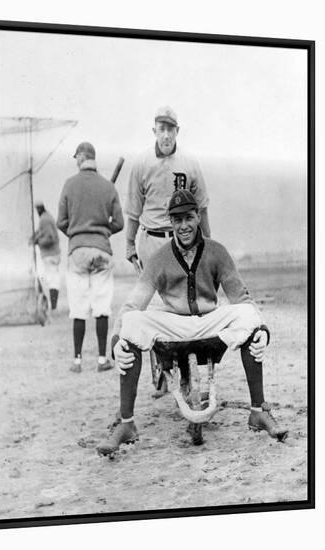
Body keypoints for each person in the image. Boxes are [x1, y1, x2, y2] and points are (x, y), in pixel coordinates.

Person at [97, 188, 288, 456]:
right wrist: (117, 341)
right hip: (174, 326)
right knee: (130, 323)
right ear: (171, 223)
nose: (183, 226)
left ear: (198, 216)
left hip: (210, 322)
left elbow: (241, 297)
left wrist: (262, 332)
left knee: (250, 317)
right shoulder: (160, 258)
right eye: (177, 220)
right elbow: (134, 303)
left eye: (188, 218)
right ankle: (126, 424)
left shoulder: (216, 251)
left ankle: (258, 412)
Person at [125, 106, 211, 397]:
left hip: (183, 241)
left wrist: (207, 242)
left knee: (183, 305)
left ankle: (185, 373)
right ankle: (161, 365)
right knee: (153, 308)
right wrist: (128, 245)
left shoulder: (189, 162)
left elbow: (201, 206)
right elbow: (133, 211)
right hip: (151, 241)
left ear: (177, 131)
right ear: (154, 131)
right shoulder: (141, 163)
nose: (165, 134)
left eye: (170, 129)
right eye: (160, 129)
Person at [57, 142, 124, 373]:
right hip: (102, 251)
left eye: (76, 157)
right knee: (102, 306)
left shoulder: (69, 184)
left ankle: (77, 361)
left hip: (77, 252)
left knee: (78, 307)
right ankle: (102, 359)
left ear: (80, 158)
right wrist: (103, 230)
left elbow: (61, 222)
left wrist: (77, 235)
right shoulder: (108, 187)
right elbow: (119, 223)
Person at [30, 201, 61, 318]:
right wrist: (35, 237)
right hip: (52, 254)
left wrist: (38, 241)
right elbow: (42, 233)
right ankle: (52, 307)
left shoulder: (44, 219)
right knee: (51, 280)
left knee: (51, 280)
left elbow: (50, 237)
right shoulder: (46, 217)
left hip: (50, 254)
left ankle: (53, 307)